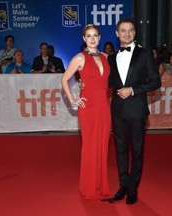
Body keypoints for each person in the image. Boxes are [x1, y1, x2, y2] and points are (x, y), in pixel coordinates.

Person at [108, 18, 161, 205]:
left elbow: (156, 81)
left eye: (130, 30)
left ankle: (133, 189)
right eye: (123, 30)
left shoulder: (145, 54)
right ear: (117, 33)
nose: (127, 34)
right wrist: (84, 83)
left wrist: (133, 90)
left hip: (137, 109)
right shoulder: (111, 57)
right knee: (120, 150)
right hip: (117, 111)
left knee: (137, 150)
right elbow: (107, 83)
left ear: (135, 33)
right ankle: (123, 185)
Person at [61, 24, 111, 200]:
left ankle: (101, 184)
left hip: (104, 107)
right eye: (88, 36)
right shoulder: (79, 58)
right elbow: (64, 79)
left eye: (95, 36)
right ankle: (89, 186)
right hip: (88, 107)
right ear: (84, 38)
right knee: (90, 146)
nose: (92, 39)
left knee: (103, 146)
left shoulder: (106, 57)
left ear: (99, 37)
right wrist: (73, 100)